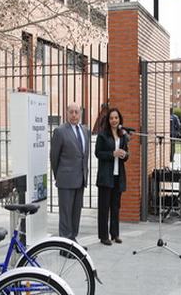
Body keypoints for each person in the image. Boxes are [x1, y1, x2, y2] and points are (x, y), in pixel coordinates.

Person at [50, 102, 90, 241]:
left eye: (76, 112)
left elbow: (85, 155)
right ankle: (65, 245)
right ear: (66, 113)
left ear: (80, 114)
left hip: (80, 179)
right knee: (66, 214)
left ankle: (73, 241)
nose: (74, 115)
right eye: (71, 112)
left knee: (76, 213)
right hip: (66, 180)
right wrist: (59, 176)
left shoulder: (85, 130)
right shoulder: (60, 131)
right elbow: (54, 157)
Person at [95, 107, 129, 245]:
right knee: (104, 208)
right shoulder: (102, 135)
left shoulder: (123, 135)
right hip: (105, 176)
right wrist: (112, 154)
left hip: (118, 176)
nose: (114, 120)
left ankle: (115, 234)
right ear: (108, 120)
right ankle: (103, 236)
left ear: (119, 119)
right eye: (111, 118)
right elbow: (98, 153)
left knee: (115, 207)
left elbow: (127, 154)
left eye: (116, 118)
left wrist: (124, 154)